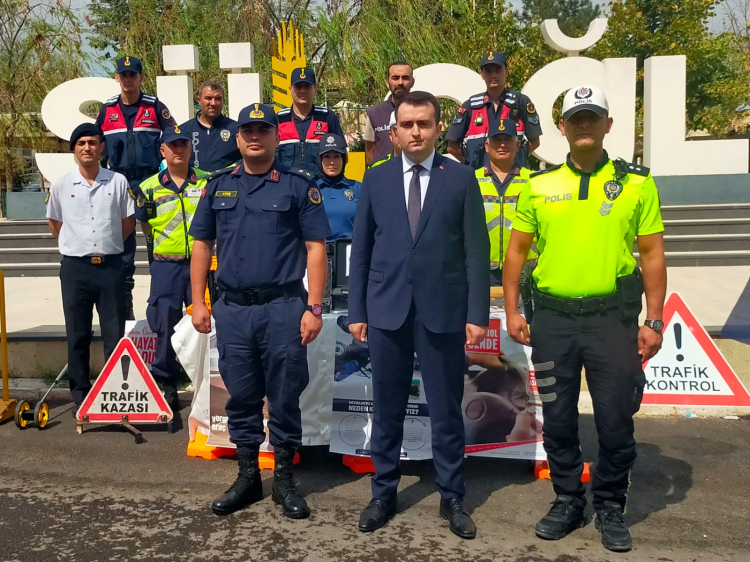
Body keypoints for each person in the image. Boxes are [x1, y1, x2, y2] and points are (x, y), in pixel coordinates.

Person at [503, 85, 666, 553]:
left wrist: (654, 320)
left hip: (611, 321)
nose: (585, 125)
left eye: (593, 116)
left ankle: (610, 504)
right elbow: (516, 252)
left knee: (615, 419)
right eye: (576, 118)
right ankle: (568, 500)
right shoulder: (538, 185)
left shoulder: (637, 184)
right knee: (557, 418)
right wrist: (513, 310)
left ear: (609, 124)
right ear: (563, 128)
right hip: (552, 322)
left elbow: (652, 255)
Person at [348, 91, 490, 539]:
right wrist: (356, 310)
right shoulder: (376, 178)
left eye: (424, 124)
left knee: (446, 410)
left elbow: (476, 250)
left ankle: (452, 496)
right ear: (394, 131)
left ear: (437, 128)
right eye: (407, 124)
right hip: (386, 311)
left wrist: (477, 313)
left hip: (442, 312)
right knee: (387, 409)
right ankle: (383, 493)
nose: (415, 132)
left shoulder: (461, 178)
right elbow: (361, 249)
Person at [189, 103, 331, 519]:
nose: (255, 136)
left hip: (283, 308)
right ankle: (248, 477)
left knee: (285, 396)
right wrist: (199, 301)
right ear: (237, 138)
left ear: (276, 136)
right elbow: (202, 245)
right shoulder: (218, 185)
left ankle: (284, 481)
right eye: (248, 130)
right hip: (233, 310)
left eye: (263, 129)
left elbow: (316, 248)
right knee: (242, 396)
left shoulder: (298, 186)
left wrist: (315, 307)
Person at [46, 123, 135, 416]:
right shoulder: (61, 185)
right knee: (78, 334)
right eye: (81, 143)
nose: (87, 148)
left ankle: (113, 393)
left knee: (114, 334)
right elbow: (55, 225)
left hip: (110, 267)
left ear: (102, 148)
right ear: (74, 149)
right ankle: (81, 396)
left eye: (93, 142)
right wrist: (79, 246)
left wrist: (106, 248)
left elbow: (127, 224)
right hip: (76, 269)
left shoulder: (117, 181)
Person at [130, 125, 208, 412]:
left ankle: (208, 379)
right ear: (162, 150)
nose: (178, 149)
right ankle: (166, 380)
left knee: (208, 322)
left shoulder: (207, 181)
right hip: (166, 265)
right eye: (172, 145)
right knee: (165, 322)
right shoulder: (148, 187)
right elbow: (145, 224)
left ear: (191, 148)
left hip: (204, 263)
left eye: (183, 144)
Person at [95, 55, 177, 320]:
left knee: (156, 244)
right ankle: (125, 307)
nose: (128, 79)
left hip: (150, 182)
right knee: (123, 246)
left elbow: (174, 137)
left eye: (133, 74)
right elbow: (94, 143)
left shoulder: (155, 107)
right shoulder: (107, 110)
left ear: (141, 77)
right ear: (117, 78)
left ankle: (160, 302)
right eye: (124, 75)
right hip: (118, 183)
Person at [447, 51, 542, 169]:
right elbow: (452, 147)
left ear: (506, 72)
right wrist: (471, 163)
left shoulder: (521, 102)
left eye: (498, 70)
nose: (493, 75)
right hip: (479, 176)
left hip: (513, 175)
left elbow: (535, 141)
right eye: (488, 71)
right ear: (482, 74)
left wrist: (519, 159)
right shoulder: (470, 106)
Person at [475, 118, 534, 285]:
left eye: (507, 139)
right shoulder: (471, 180)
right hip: (483, 270)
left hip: (525, 270)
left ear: (517, 145)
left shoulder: (534, 181)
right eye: (496, 139)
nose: (502, 145)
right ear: (487, 146)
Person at [276, 67, 345, 173]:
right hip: (287, 181)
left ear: (315, 89)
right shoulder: (279, 119)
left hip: (318, 182)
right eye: (298, 86)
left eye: (307, 86)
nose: (303, 90)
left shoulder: (327, 117)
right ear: (290, 90)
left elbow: (342, 153)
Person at [178, 81, 241, 172]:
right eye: (208, 98)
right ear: (199, 100)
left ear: (224, 101)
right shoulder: (184, 131)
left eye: (218, 98)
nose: (213, 103)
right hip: (194, 181)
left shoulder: (236, 129)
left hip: (227, 180)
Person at [363, 61, 415, 166]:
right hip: (383, 173)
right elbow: (370, 155)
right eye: (395, 78)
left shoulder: (422, 112)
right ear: (387, 82)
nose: (400, 82)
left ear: (412, 82)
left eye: (405, 78)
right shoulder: (374, 113)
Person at [315, 133, 361, 241]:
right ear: (319, 160)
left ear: (344, 159)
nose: (332, 162)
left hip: (350, 248)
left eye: (337, 156)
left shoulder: (357, 188)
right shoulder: (310, 189)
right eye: (327, 156)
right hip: (319, 249)